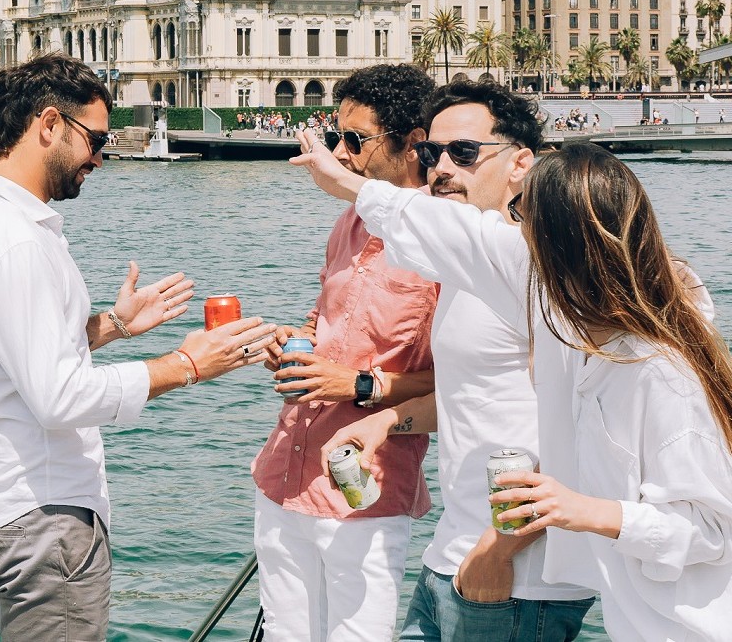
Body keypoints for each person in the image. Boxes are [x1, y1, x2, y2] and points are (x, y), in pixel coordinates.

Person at [297, 127, 732, 641]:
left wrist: (580, 510)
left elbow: (712, 529)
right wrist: (349, 185)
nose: (514, 231)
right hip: (630, 614)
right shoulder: (563, 319)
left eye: (525, 216)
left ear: (559, 244)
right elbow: (462, 237)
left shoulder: (661, 371)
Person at [0, 53, 277, 640]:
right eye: (96, 139)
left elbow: (8, 354)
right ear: (50, 124)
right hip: (42, 520)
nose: (101, 156)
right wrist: (186, 365)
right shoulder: (18, 244)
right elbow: (58, 399)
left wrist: (112, 325)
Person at [312, 80, 596, 640]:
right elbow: (475, 392)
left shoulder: (542, 267)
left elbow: (587, 428)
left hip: (520, 578)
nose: (441, 168)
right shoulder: (471, 270)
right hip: (454, 554)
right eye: (429, 153)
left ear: (521, 164)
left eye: (463, 153)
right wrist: (384, 420)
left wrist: (498, 552)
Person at [252, 64, 439, 642]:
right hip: (285, 470)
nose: (341, 153)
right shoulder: (350, 220)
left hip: (365, 489)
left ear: (411, 144)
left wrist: (357, 384)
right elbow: (325, 315)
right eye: (338, 136)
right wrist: (291, 343)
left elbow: (461, 383)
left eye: (355, 140)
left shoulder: (445, 241)